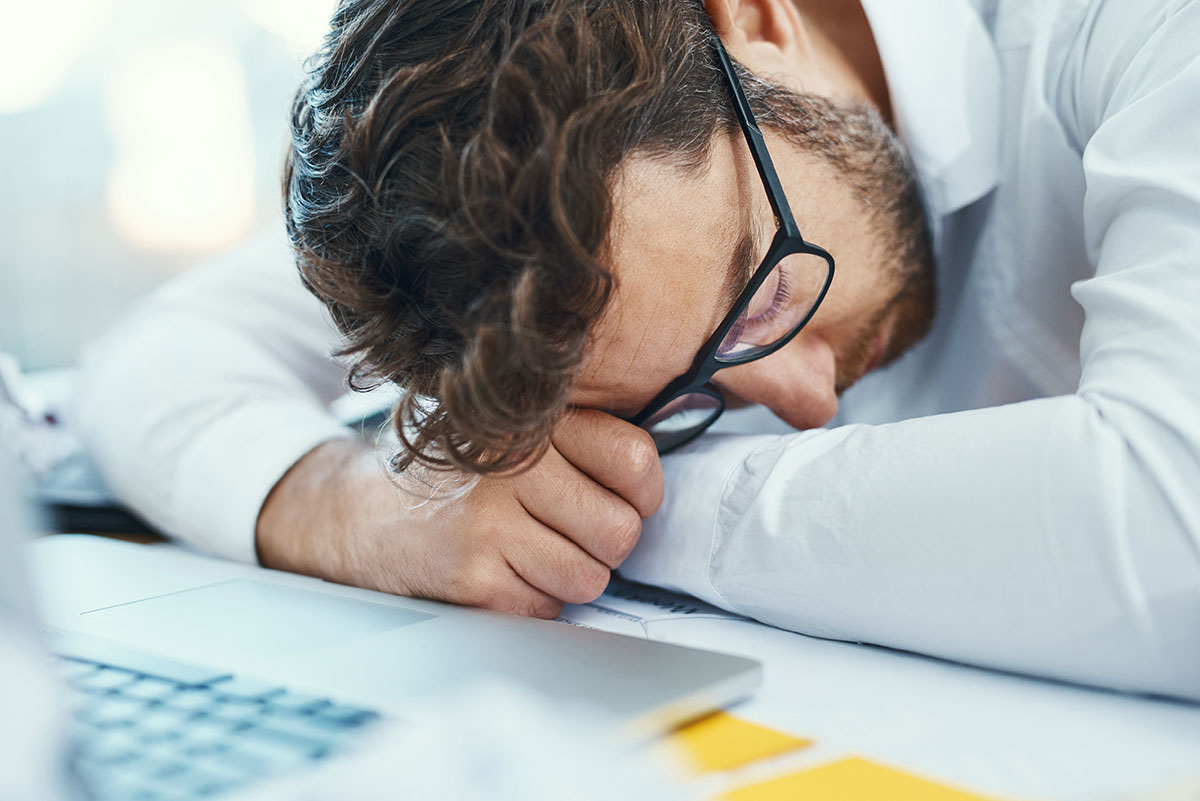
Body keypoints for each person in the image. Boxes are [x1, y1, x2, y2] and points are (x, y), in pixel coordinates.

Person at [79, 0, 1200, 701]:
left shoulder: (1145, 31)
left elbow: (1172, 524)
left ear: (756, 18)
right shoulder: (502, 193)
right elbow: (159, 351)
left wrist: (630, 511)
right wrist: (350, 504)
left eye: (759, 298)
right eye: (675, 398)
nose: (806, 403)